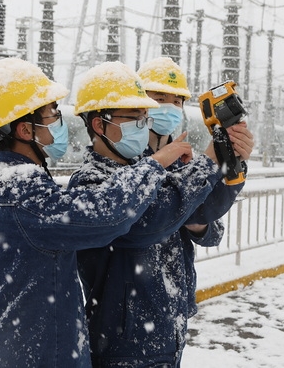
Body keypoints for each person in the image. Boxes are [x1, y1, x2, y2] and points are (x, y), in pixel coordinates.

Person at [0, 58, 192, 368]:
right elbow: (110, 213)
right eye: (52, 113)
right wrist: (154, 165)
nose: (60, 121)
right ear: (25, 129)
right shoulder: (25, 196)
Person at [72, 58, 254, 368]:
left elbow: (207, 219)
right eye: (157, 101)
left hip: (168, 323)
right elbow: (147, 223)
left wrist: (231, 164)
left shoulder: (178, 161)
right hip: (123, 335)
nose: (167, 109)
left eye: (176, 101)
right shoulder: (104, 178)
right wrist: (206, 166)